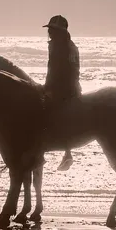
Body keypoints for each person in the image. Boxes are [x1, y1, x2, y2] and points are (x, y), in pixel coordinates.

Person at [43, 14, 80, 171]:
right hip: (66, 85)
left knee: (48, 110)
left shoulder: (62, 46)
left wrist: (50, 88)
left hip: (65, 87)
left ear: (61, 31)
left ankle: (66, 152)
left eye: (53, 30)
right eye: (50, 29)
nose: (50, 32)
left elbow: (59, 71)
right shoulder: (64, 44)